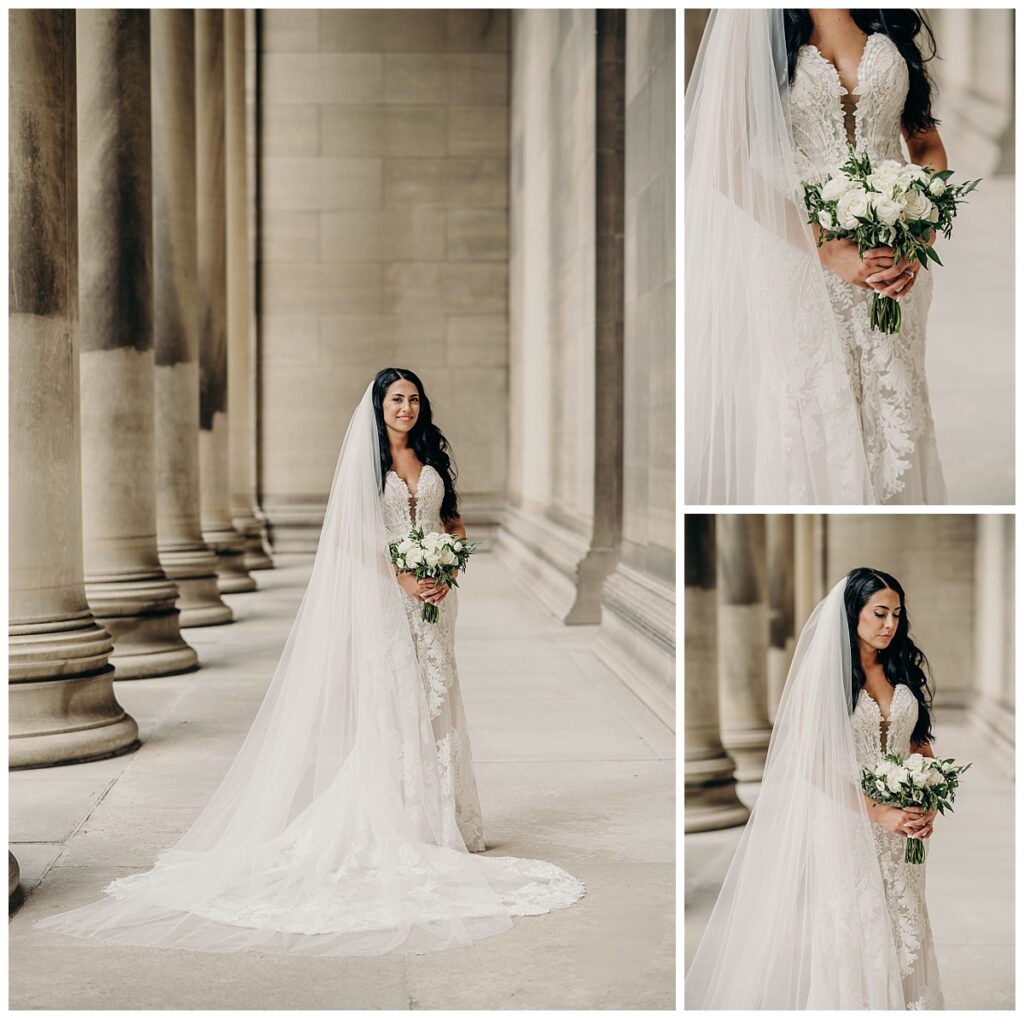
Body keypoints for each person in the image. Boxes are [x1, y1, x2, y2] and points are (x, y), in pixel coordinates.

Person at [35, 371, 584, 956]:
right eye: (396, 399)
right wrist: (402, 573)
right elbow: (348, 535)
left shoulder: (430, 458)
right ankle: (401, 820)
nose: (406, 407)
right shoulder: (366, 466)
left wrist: (446, 564)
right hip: (387, 595)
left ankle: (446, 817)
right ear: (378, 407)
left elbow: (449, 520)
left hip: (437, 598)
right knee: (395, 702)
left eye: (414, 399)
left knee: (439, 697)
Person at [685, 9, 947, 504]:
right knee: (816, 407)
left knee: (895, 399)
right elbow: (722, 161)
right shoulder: (759, 28)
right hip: (799, 255)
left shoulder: (888, 23)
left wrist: (921, 233)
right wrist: (824, 247)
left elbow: (926, 143)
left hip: (896, 252)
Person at [686, 568, 943, 1009]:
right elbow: (813, 765)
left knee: (907, 925)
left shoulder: (901, 668)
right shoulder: (826, 679)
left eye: (897, 615)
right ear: (852, 613)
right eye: (879, 613)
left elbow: (919, 742)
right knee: (859, 931)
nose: (890, 625)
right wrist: (876, 811)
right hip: (847, 820)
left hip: (904, 827)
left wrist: (928, 797)